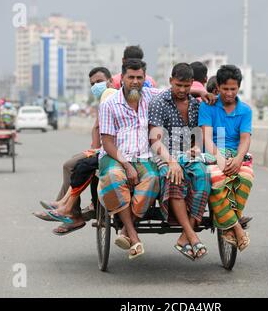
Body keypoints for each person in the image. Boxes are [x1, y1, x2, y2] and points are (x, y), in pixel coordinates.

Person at [92, 59, 161, 260]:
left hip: (143, 156)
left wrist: (203, 94)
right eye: (131, 77)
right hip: (115, 156)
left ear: (144, 79)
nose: (135, 82)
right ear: (122, 78)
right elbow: (107, 142)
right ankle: (133, 235)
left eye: (139, 78)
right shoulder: (108, 105)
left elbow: (177, 92)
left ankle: (125, 231)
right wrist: (126, 165)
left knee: (153, 179)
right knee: (113, 177)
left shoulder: (152, 97)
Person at [34, 67, 115, 235]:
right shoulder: (104, 98)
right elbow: (96, 127)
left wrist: (97, 150)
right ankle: (67, 208)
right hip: (103, 147)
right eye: (92, 84)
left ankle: (68, 210)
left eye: (99, 82)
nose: (96, 86)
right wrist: (94, 148)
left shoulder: (114, 97)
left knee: (73, 165)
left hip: (115, 149)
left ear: (110, 81)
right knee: (72, 164)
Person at [149, 63, 211, 260]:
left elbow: (199, 135)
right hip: (164, 154)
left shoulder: (196, 104)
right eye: (178, 85)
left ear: (192, 84)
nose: (182, 90)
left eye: (186, 86)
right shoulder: (159, 102)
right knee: (174, 178)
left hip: (189, 155)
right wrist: (171, 162)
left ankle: (185, 236)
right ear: (170, 82)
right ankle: (192, 236)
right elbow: (155, 140)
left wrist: (197, 147)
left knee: (203, 176)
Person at [199, 65, 254, 252]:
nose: (229, 93)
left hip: (236, 156)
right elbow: (206, 137)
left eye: (233, 89)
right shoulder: (208, 107)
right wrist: (220, 159)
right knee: (216, 179)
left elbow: (245, 138)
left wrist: (238, 159)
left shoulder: (245, 110)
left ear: (238, 88)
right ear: (218, 88)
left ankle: (227, 227)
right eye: (225, 89)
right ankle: (236, 227)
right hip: (212, 155)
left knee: (246, 177)